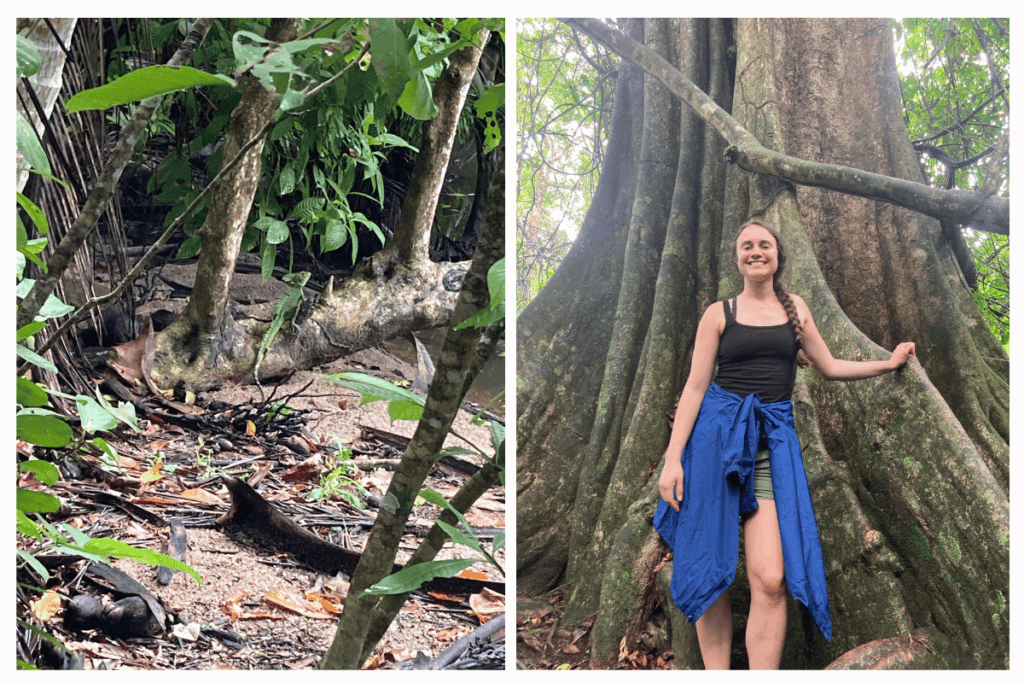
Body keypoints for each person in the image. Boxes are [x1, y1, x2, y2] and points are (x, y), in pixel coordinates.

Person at [653, 219, 916, 670]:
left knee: (771, 578)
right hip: (714, 444)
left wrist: (888, 364)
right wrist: (673, 458)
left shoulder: (796, 308)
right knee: (705, 571)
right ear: (736, 257)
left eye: (765, 245)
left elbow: (829, 366)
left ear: (778, 255)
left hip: (769, 447)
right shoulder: (720, 313)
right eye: (746, 246)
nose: (756, 252)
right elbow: (695, 388)